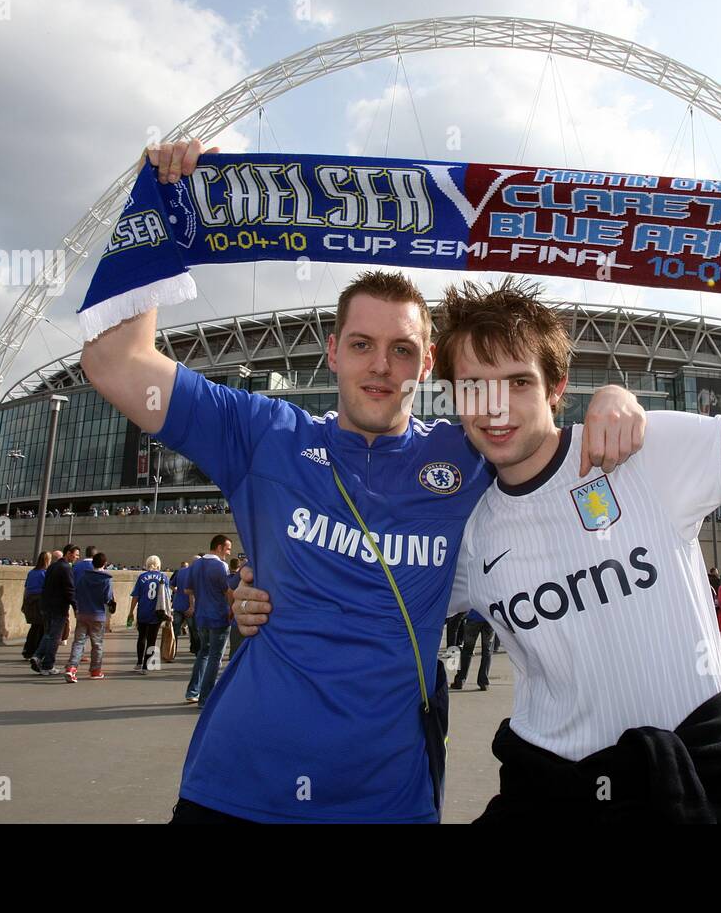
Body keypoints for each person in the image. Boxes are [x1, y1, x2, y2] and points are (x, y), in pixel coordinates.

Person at [84, 198, 645, 824]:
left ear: (428, 364)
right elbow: (114, 362)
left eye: (402, 350)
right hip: (236, 791)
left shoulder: (467, 455)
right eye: (362, 344)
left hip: (387, 802)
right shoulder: (266, 433)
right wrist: (162, 208)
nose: (381, 365)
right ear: (332, 352)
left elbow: (550, 444)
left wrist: (614, 396)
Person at [184, 535, 232, 705]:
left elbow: (188, 590)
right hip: (218, 615)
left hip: (201, 615)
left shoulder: (196, 564)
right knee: (215, 657)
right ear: (219, 547)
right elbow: (228, 592)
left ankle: (193, 691)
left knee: (203, 653)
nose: (228, 553)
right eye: (227, 549)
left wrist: (203, 590)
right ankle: (206, 697)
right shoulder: (221, 566)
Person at [66, 551, 114, 681]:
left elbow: (77, 593)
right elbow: (107, 598)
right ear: (104, 563)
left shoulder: (83, 577)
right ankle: (95, 670)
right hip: (97, 615)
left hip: (83, 613)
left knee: (78, 642)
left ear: (92, 563)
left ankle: (72, 668)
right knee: (97, 644)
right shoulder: (107, 579)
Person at [32, 544, 78, 675]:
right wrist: (75, 607)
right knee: (55, 637)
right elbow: (70, 590)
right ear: (68, 553)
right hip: (58, 607)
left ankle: (37, 656)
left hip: (46, 605)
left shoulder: (52, 566)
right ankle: (47, 665)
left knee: (48, 634)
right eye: (76, 554)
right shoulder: (66, 568)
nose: (77, 557)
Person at [131, 555, 171, 672]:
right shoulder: (163, 577)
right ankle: (146, 665)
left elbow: (135, 596)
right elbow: (167, 597)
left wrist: (131, 611)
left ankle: (139, 661)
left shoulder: (142, 577)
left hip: (143, 610)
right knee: (152, 639)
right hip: (157, 612)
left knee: (141, 637)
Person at [452, 607, 493, 691]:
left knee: (467, 650)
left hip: (473, 618)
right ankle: (483, 682)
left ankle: (460, 680)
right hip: (489, 619)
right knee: (487, 652)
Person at [21, 551, 50, 660]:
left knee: (35, 626)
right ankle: (36, 651)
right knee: (41, 627)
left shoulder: (32, 572)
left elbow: (26, 588)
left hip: (30, 600)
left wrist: (24, 603)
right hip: (40, 600)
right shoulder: (45, 573)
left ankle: (28, 650)